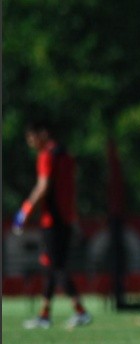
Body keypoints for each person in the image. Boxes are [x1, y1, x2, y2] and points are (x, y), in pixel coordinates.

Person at [15, 120, 92, 330]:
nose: (30, 143)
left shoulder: (47, 155)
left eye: (31, 138)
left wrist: (25, 211)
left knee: (56, 266)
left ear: (42, 134)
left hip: (53, 220)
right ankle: (44, 314)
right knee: (50, 265)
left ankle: (81, 311)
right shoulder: (66, 155)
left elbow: (43, 186)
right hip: (66, 219)